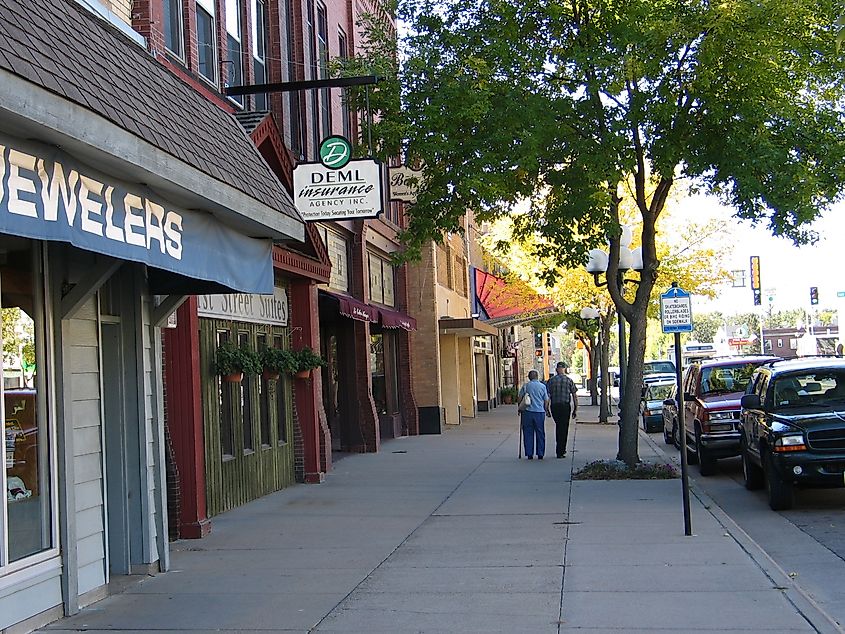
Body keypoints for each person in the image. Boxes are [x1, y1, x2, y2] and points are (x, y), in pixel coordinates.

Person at [546, 362, 578, 458]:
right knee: (564, 428)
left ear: (556, 369)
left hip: (555, 406)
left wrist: (547, 408)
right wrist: (575, 408)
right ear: (565, 369)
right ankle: (561, 450)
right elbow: (574, 396)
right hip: (565, 406)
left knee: (558, 426)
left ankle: (559, 449)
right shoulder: (569, 380)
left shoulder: (551, 381)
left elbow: (547, 396)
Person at [518, 370, 551, 459]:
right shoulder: (542, 386)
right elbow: (546, 399)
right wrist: (546, 409)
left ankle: (529, 453)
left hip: (527, 412)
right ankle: (540, 453)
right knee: (540, 433)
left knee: (528, 433)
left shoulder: (526, 386)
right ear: (537, 377)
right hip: (539, 412)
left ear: (529, 377)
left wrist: (520, 408)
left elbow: (520, 398)